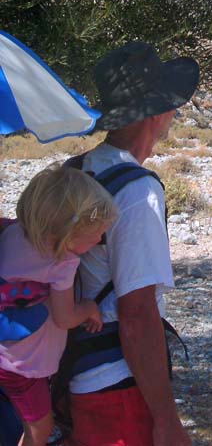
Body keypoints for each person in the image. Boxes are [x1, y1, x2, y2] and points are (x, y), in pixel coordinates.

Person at [66, 42, 199, 446]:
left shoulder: (79, 169)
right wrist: (166, 419)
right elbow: (137, 314)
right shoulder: (138, 192)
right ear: (156, 114)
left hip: (77, 371)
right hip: (118, 386)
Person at [0, 166, 117, 446]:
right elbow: (65, 318)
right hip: (23, 366)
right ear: (69, 233)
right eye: (97, 235)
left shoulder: (12, 233)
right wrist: (88, 307)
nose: (100, 240)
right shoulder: (62, 263)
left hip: (6, 350)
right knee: (40, 428)